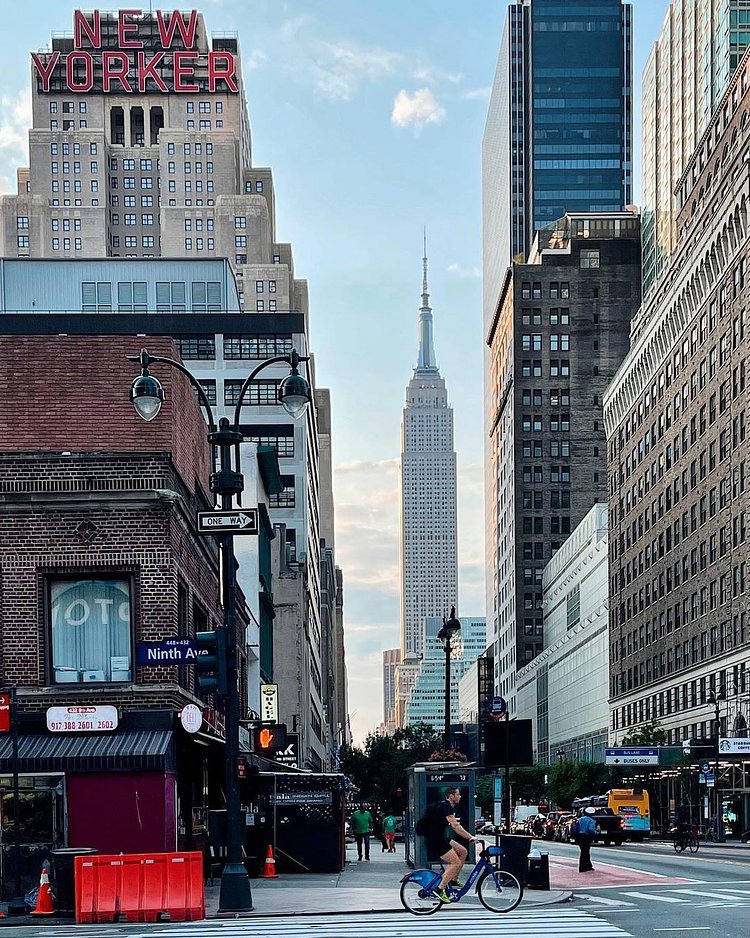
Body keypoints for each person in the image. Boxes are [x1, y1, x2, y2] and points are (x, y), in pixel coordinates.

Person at [420, 787, 476, 903]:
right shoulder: (446, 807)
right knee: (455, 862)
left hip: (440, 838)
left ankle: (453, 880)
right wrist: (470, 837)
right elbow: (455, 826)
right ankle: (440, 889)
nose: (460, 796)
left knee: (463, 851)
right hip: (435, 841)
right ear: (451, 796)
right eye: (458, 794)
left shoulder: (445, 806)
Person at [577, 806, 597, 872]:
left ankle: (588, 866)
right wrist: (595, 834)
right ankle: (582, 867)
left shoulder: (580, 819)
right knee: (585, 852)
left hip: (579, 836)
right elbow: (591, 829)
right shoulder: (591, 821)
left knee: (584, 851)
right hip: (586, 837)